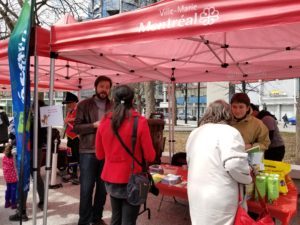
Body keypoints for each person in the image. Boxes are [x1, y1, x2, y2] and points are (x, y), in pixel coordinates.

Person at [95, 85, 156, 225]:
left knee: (115, 219)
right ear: (133, 99)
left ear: (113, 99)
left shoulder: (104, 122)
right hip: (134, 179)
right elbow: (150, 156)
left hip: (111, 178)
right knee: (129, 221)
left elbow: (99, 155)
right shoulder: (140, 122)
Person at [186, 100, 252, 225]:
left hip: (196, 191)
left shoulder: (195, 132)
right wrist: (248, 177)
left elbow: (190, 160)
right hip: (220, 194)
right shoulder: (230, 132)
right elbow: (234, 164)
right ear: (228, 114)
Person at [74, 76, 112, 225]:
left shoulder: (114, 106)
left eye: (107, 87)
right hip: (88, 152)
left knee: (103, 189)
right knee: (86, 188)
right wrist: (93, 126)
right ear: (96, 87)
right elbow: (76, 127)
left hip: (107, 153)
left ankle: (97, 218)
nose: (104, 89)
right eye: (102, 86)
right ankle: (84, 220)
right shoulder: (84, 105)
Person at [9, 99, 47, 221]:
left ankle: (22, 211)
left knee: (23, 177)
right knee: (36, 176)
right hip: (38, 149)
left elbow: (16, 134)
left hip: (26, 149)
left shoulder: (26, 117)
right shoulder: (44, 117)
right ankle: (42, 202)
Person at [62, 92, 80, 185]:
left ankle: (78, 176)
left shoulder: (79, 110)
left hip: (76, 137)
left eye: (69, 103)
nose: (68, 105)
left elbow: (80, 119)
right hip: (69, 137)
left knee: (77, 156)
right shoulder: (70, 111)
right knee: (70, 155)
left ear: (74, 102)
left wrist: (68, 120)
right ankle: (71, 174)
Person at [2, 144, 18, 209]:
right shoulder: (13, 159)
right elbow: (16, 166)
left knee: (8, 189)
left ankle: (7, 202)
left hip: (7, 177)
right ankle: (13, 204)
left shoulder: (4, 158)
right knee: (14, 190)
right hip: (13, 177)